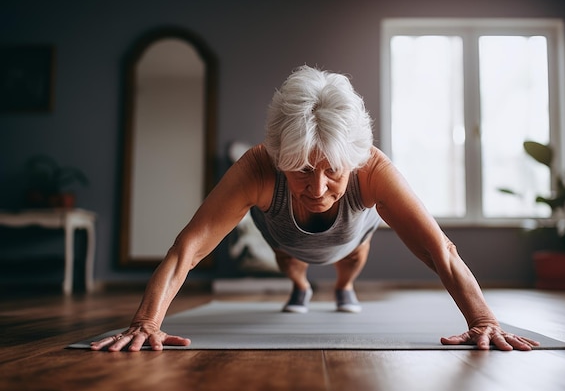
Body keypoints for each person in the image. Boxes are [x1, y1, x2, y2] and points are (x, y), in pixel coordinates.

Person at [91, 65, 539, 352]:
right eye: (302, 170)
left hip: (350, 240)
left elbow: (439, 250)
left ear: (354, 161)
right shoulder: (256, 168)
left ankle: (344, 288)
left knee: (351, 257)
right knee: (291, 262)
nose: (319, 187)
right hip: (284, 238)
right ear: (280, 157)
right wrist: (146, 321)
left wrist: (482, 320)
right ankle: (300, 288)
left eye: (333, 172)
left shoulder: (373, 169)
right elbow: (189, 247)